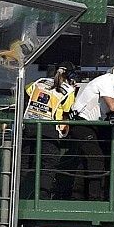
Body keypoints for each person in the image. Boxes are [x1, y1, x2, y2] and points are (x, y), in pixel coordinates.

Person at [69, 65, 114, 190]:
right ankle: (94, 199)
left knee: (88, 161)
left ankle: (78, 195)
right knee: (96, 159)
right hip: (82, 123)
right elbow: (113, 106)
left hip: (93, 125)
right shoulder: (107, 81)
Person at [21, 62, 78, 198]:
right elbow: (67, 111)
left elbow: (26, 91)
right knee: (48, 165)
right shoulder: (68, 91)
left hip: (29, 125)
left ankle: (20, 196)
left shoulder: (40, 81)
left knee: (24, 163)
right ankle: (42, 198)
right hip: (49, 129)